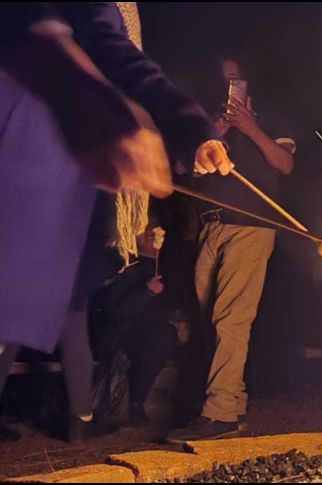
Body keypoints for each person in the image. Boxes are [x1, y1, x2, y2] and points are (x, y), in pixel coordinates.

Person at [0, 3, 232, 442]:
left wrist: (189, 127)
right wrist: (83, 91)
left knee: (30, 312)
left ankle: (81, 419)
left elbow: (113, 49)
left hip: (41, 185)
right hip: (16, 155)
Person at [167, 56, 296, 443]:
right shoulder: (208, 124)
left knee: (231, 319)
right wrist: (215, 136)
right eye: (222, 80)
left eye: (234, 80)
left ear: (246, 83)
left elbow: (285, 163)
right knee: (213, 320)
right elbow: (183, 172)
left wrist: (250, 127)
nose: (228, 87)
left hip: (251, 227)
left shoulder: (272, 117)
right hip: (211, 227)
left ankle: (219, 412)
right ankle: (233, 405)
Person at [88, 216, 181, 428]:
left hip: (144, 334)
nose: (151, 232)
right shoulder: (123, 264)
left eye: (154, 228)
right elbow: (114, 313)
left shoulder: (165, 266)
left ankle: (137, 403)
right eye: (144, 228)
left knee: (165, 334)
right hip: (117, 335)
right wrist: (145, 292)